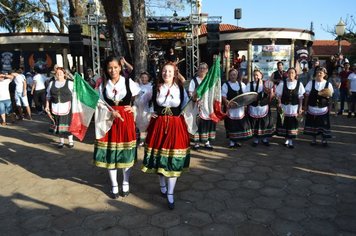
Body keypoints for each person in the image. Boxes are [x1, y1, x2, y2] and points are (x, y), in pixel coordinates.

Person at [141, 62, 190, 210]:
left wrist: (196, 102)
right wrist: (150, 112)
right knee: (159, 157)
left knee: (173, 158)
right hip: (159, 126)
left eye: (169, 71)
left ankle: (170, 192)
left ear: (174, 73)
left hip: (175, 126)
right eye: (164, 71)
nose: (166, 74)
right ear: (161, 72)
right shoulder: (155, 88)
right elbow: (142, 102)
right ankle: (162, 185)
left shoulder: (181, 88)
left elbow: (187, 105)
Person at [94, 56, 140, 199]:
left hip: (125, 121)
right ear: (106, 69)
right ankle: (114, 184)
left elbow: (141, 98)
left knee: (125, 153)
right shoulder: (103, 85)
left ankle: (125, 182)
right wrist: (109, 111)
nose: (113, 70)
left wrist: (134, 108)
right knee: (111, 154)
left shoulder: (128, 82)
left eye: (115, 67)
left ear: (120, 67)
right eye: (110, 68)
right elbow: (99, 103)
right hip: (109, 122)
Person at [222, 68, 252, 148]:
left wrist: (245, 104)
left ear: (237, 75)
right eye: (231, 75)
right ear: (229, 76)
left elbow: (246, 96)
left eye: (234, 75)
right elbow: (224, 97)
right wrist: (227, 103)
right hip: (230, 109)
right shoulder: (226, 85)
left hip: (240, 109)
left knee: (239, 124)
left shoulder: (241, 84)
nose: (233, 76)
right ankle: (232, 142)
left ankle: (238, 141)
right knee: (231, 125)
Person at [188, 62, 216, 150]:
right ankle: (196, 143)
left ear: (207, 70)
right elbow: (191, 93)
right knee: (197, 123)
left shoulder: (210, 81)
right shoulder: (194, 80)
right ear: (198, 69)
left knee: (208, 123)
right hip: (197, 106)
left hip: (208, 106)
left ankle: (207, 142)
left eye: (204, 68)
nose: (202, 70)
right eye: (200, 68)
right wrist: (195, 98)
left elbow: (213, 92)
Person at [275, 67, 305, 148]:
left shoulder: (299, 84)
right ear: (287, 74)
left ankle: (290, 141)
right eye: (289, 73)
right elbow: (278, 96)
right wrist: (279, 104)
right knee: (285, 123)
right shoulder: (282, 83)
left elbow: (301, 98)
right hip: (285, 107)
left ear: (295, 74)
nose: (291, 74)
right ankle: (286, 139)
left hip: (294, 107)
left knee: (292, 124)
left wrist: (300, 108)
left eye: (292, 73)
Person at [44, 67, 74, 148]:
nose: (59, 74)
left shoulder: (70, 83)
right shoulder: (51, 83)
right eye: (57, 73)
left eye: (61, 72)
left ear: (64, 74)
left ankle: (71, 141)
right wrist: (47, 106)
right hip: (55, 107)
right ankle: (61, 142)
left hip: (67, 106)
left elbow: (76, 95)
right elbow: (48, 96)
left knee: (68, 124)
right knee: (58, 124)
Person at [304, 67, 333, 146]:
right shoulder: (311, 83)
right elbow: (306, 95)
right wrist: (305, 106)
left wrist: (330, 108)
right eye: (317, 72)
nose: (319, 74)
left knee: (324, 124)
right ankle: (314, 139)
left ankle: (324, 140)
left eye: (321, 72)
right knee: (313, 124)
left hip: (323, 108)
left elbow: (330, 98)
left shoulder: (328, 84)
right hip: (312, 108)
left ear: (324, 74)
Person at [246, 69, 275, 147]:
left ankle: (264, 139)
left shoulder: (266, 84)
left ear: (261, 76)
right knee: (255, 123)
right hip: (254, 107)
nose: (256, 77)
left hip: (263, 107)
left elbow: (271, 95)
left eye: (257, 75)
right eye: (254, 75)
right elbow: (247, 95)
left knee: (264, 123)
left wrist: (269, 92)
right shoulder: (249, 84)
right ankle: (255, 140)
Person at [135, 71, 152, 146]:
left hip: (147, 108)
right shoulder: (138, 86)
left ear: (148, 78)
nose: (144, 79)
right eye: (142, 77)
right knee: (140, 124)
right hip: (140, 108)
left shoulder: (151, 86)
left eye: (145, 77)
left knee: (147, 123)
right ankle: (142, 140)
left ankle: (148, 139)